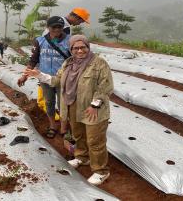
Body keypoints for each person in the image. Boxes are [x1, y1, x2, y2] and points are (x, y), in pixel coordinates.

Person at [24, 35, 114, 186]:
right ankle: (82, 157)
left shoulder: (98, 63)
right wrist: (39, 74)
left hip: (93, 109)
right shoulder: (68, 63)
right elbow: (57, 80)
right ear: (71, 49)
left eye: (83, 47)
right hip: (73, 106)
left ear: (88, 47)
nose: (80, 51)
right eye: (75, 48)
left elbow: (105, 87)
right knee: (79, 135)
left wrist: (94, 105)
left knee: (95, 140)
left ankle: (101, 171)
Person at [17, 16, 71, 138]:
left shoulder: (69, 41)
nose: (57, 29)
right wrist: (25, 75)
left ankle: (64, 128)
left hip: (63, 79)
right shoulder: (40, 41)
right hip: (44, 78)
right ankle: (53, 125)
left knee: (63, 104)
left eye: (60, 27)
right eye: (54, 27)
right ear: (48, 27)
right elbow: (33, 60)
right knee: (49, 102)